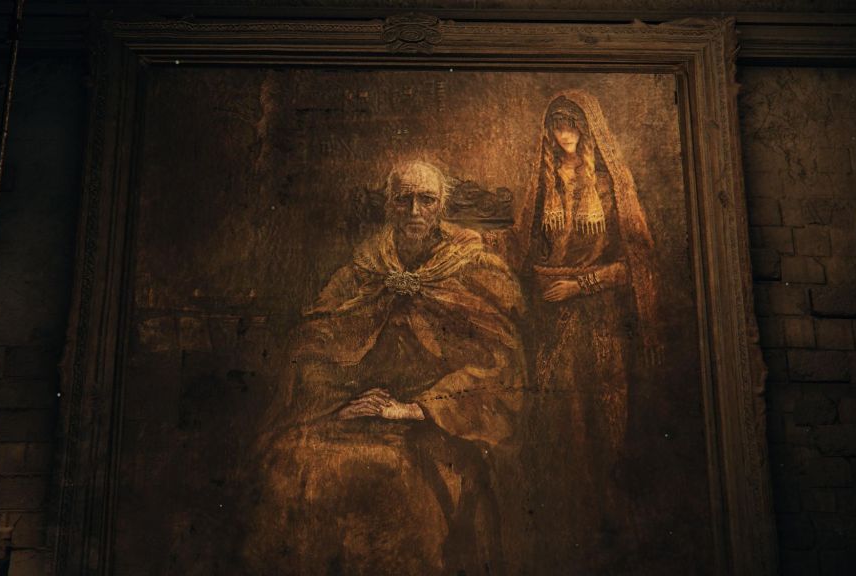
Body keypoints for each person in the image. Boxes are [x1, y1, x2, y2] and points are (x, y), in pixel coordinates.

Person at [241, 161, 528, 576]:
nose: (414, 211)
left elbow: (500, 363)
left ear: (442, 206)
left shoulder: (475, 267)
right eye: (403, 199)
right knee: (288, 459)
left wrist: (416, 409)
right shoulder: (363, 267)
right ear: (388, 206)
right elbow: (311, 342)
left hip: (435, 422)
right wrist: (340, 403)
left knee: (389, 476)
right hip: (356, 407)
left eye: (426, 200)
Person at [514, 90, 660, 574]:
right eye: (557, 124)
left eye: (572, 124)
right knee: (557, 427)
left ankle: (610, 533)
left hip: (600, 326)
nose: (565, 133)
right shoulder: (541, 186)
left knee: (605, 427)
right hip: (550, 325)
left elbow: (634, 265)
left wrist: (580, 286)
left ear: (587, 128)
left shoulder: (608, 185)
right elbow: (522, 256)